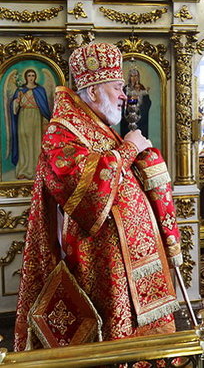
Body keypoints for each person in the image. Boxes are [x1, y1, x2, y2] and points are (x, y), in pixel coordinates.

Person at [14, 43, 183, 350]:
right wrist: (130, 148)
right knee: (112, 349)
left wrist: (144, 156)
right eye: (117, 87)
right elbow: (85, 194)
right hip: (98, 271)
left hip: (130, 265)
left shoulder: (97, 127)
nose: (124, 95)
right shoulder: (62, 132)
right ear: (92, 92)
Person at [9, 68, 52, 180]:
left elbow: (44, 107)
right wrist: (16, 102)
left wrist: (45, 120)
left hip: (36, 116)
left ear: (35, 77)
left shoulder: (40, 90)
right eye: (29, 75)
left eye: (33, 75)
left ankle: (35, 169)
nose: (31, 77)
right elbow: (14, 107)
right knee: (24, 142)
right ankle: (23, 168)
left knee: (35, 141)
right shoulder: (20, 90)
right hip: (23, 116)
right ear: (26, 77)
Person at [120, 67, 152, 138]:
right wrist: (133, 98)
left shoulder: (142, 88)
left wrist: (140, 95)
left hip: (141, 119)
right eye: (132, 76)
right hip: (127, 120)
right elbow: (123, 102)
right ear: (129, 78)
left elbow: (148, 103)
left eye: (135, 76)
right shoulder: (125, 89)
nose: (134, 78)